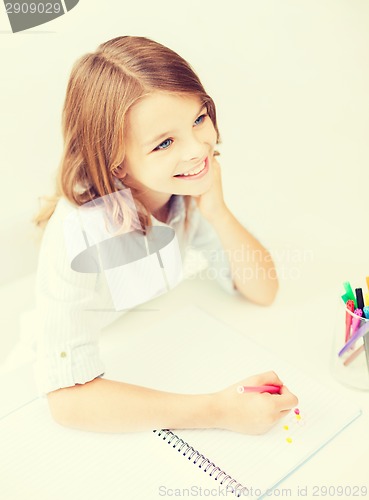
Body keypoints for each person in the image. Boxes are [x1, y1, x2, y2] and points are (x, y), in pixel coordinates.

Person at [33, 35, 298, 434]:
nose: (197, 150)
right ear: (116, 164)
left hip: (154, 328)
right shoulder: (75, 231)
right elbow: (67, 400)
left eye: (197, 119)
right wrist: (217, 411)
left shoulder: (185, 186)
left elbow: (264, 291)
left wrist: (218, 212)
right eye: (165, 143)